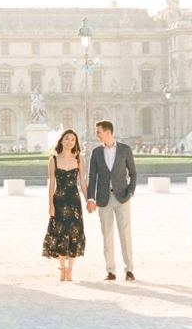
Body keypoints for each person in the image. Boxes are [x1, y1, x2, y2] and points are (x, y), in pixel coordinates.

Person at [86, 120, 136, 281]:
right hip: (103, 198)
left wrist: (130, 192)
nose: (96, 134)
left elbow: (133, 173)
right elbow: (92, 176)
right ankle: (111, 270)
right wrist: (90, 198)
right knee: (106, 235)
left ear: (108, 132)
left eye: (98, 131)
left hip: (122, 197)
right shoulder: (96, 152)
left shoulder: (125, 150)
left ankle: (129, 269)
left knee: (124, 234)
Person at [42, 129, 86, 282]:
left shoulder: (79, 159)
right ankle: (62, 269)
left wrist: (89, 201)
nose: (70, 142)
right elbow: (52, 184)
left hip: (74, 201)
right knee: (61, 233)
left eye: (73, 140)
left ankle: (70, 270)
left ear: (76, 143)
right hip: (59, 201)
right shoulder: (53, 160)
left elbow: (83, 183)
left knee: (74, 234)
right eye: (67, 139)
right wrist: (50, 205)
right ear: (61, 141)